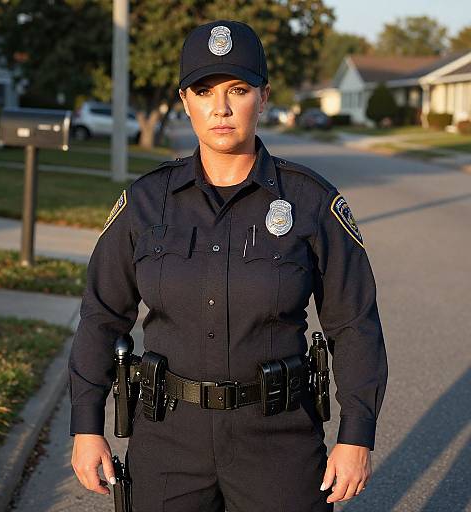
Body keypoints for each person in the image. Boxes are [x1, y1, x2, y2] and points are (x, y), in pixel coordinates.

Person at [68, 19, 388, 512]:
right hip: (168, 439)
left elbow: (354, 324)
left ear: (263, 98)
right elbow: (102, 315)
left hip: (278, 441)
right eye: (204, 90)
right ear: (185, 100)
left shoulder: (311, 201)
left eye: (238, 89)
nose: (220, 107)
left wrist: (357, 435)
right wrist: (86, 425)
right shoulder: (146, 202)